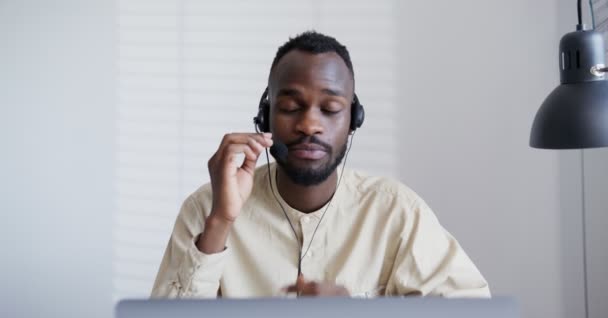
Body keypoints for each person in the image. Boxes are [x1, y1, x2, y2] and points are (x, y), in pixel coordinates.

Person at [151, 31, 490, 298]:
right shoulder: (206, 208)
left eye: (329, 109)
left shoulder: (395, 212)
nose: (309, 125)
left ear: (353, 120)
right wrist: (220, 222)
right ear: (265, 117)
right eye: (290, 106)